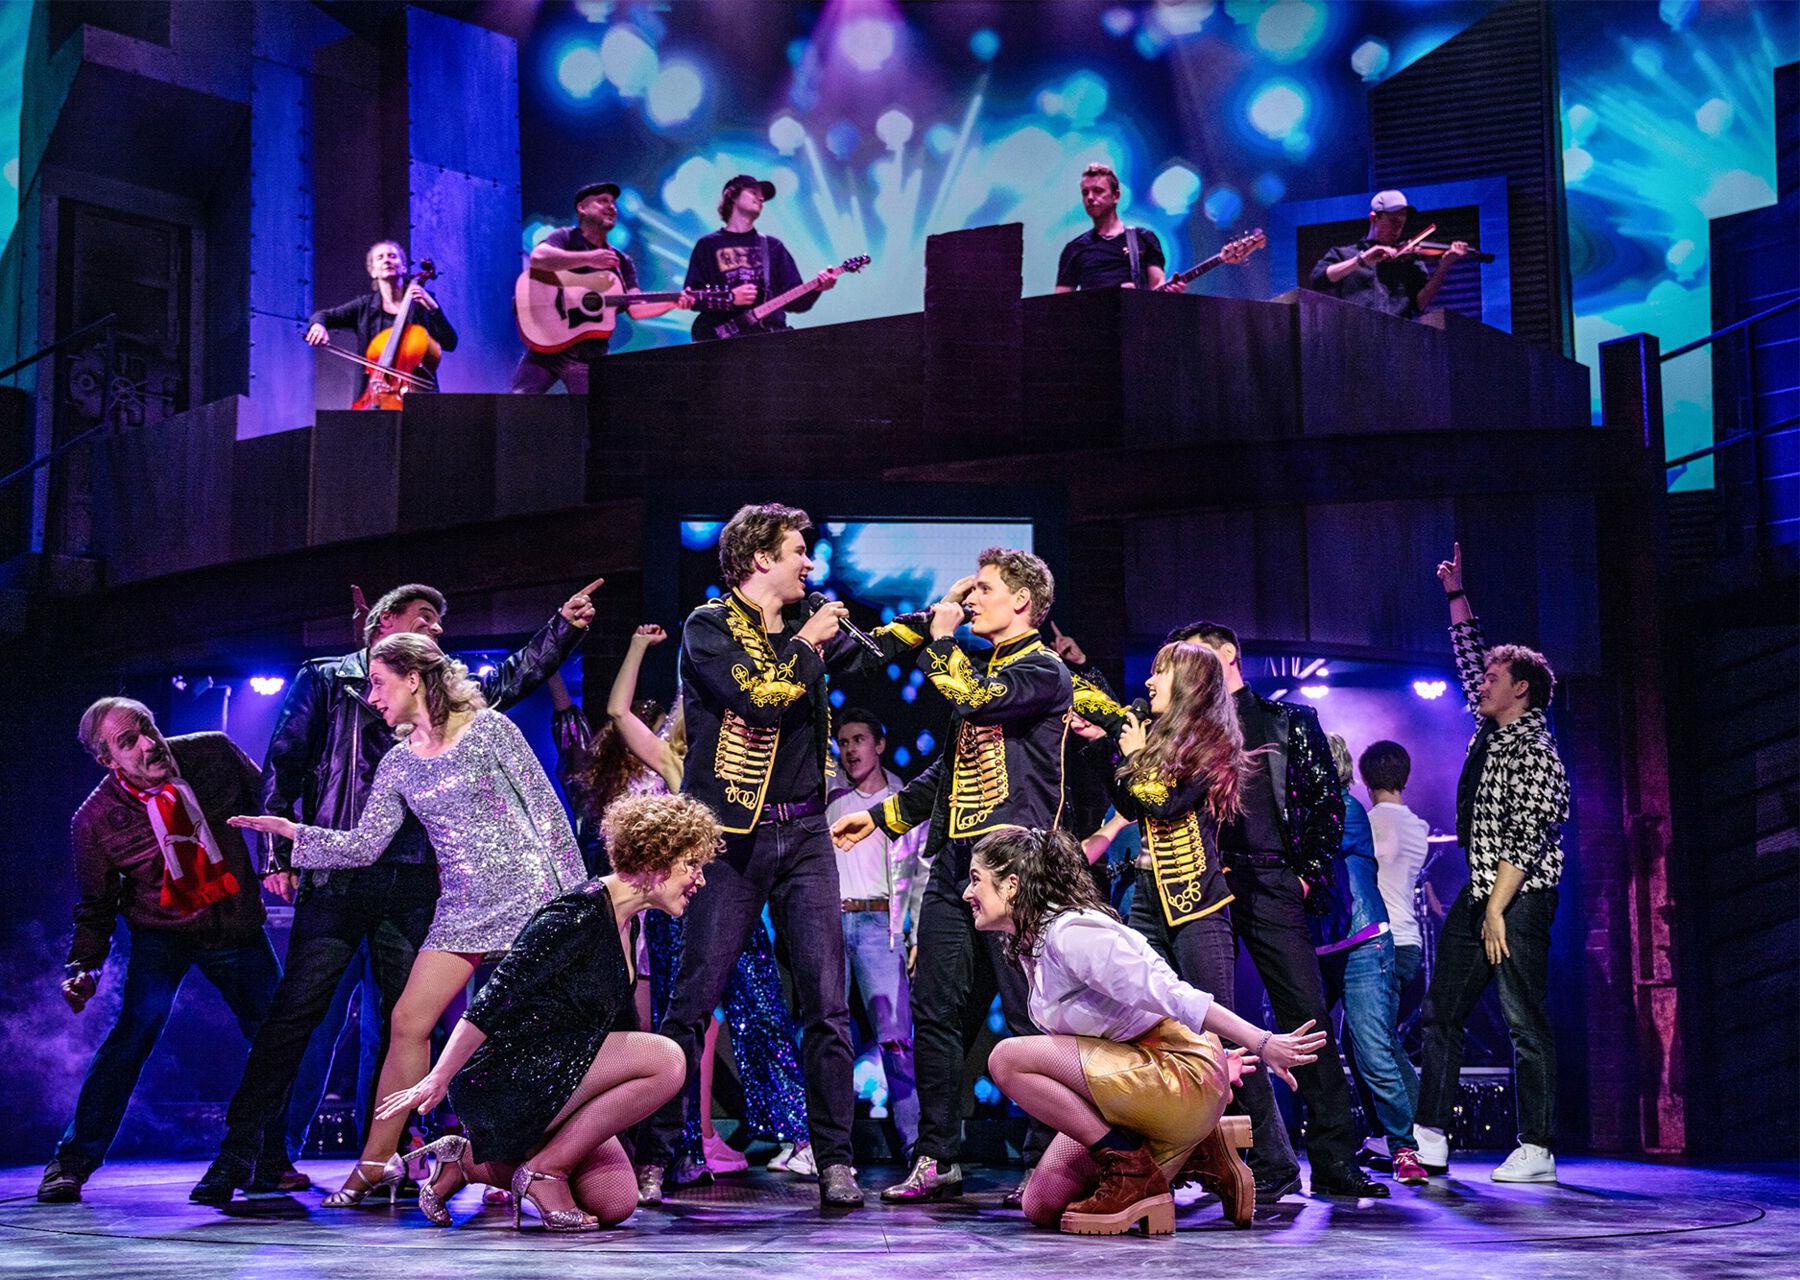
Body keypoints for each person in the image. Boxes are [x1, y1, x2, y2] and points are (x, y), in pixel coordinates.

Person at [191, 579, 596, 1207]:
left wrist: (575, 905)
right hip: (399, 894)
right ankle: (308, 1159)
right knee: (350, 1019)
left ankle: (490, 1159)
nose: (438, 628)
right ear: (384, 625)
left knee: (473, 1028)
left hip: (473, 889)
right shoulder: (357, 715)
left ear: (412, 678)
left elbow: (545, 808)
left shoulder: (484, 726)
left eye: (382, 685)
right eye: (424, 616)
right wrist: (286, 842)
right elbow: (330, 810)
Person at [639, 504, 922, 1209]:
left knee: (827, 1005)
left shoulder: (808, 625)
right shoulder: (708, 627)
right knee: (692, 1000)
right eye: (798, 551)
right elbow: (759, 698)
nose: (809, 563)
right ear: (760, 558)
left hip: (805, 836)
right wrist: (809, 643)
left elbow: (872, 650)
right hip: (730, 839)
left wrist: (930, 621)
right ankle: (658, 1153)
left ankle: (835, 1161)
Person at [831, 547, 1072, 1205]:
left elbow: (973, 697)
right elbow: (950, 770)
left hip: (1016, 868)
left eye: (984, 590)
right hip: (957, 866)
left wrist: (941, 638)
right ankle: (938, 1155)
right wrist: (878, 818)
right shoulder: (984, 671)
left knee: (1028, 1012)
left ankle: (1047, 1160)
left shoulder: (1042, 670)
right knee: (933, 1007)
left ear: (1022, 602)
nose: (972, 601)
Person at [377, 793, 717, 1231]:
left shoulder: (628, 924)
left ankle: (464, 1162)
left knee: (615, 1202)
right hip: (510, 1078)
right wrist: (439, 1077)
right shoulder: (576, 914)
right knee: (668, 1058)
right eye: (692, 865)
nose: (700, 880)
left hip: (565, 1075)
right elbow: (495, 997)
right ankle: (543, 1171)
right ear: (656, 859)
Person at [967, 827, 1327, 1235]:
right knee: (1042, 1203)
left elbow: (1174, 995)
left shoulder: (1073, 934)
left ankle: (1131, 1168)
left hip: (1175, 1069)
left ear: (1012, 885)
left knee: (1007, 1059)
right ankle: (1200, 1151)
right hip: (1136, 1080)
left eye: (976, 879)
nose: (967, 893)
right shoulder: (1034, 944)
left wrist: (1261, 1043)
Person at [552, 626, 812, 1190]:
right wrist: (637, 646)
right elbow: (618, 712)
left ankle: (799, 1138)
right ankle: (677, 1148)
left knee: (763, 1013)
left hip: (737, 897)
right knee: (684, 1025)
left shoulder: (752, 766)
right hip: (682, 912)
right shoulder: (678, 765)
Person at [38, 700, 292, 1204]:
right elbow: (96, 906)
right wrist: (84, 967)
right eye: (127, 742)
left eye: (147, 729)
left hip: (233, 924)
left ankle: (267, 1159)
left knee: (278, 1036)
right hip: (162, 934)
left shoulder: (213, 754)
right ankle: (71, 1162)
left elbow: (274, 805)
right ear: (107, 760)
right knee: (132, 1034)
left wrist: (276, 863)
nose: (148, 744)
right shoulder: (95, 819)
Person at [1164, 620, 1385, 1200]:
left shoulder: (1287, 720)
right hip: (1205, 882)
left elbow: (1325, 803)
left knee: (1304, 1015)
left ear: (1228, 655)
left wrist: (1305, 878)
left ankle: (1335, 1159)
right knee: (1219, 1020)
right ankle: (1259, 1158)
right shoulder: (1186, 727)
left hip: (1272, 880)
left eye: (1197, 655)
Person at [1414, 544, 1569, 1183]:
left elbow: (1529, 837)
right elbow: (1469, 655)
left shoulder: (1536, 749)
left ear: (1521, 690)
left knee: (1522, 1019)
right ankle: (1430, 1136)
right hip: (1484, 892)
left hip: (1519, 898)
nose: (1481, 684)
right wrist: (1456, 595)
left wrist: (1499, 911)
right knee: (1441, 1010)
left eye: (1494, 679)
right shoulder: (1490, 732)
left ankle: (1538, 1147)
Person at [1312, 735, 1425, 1187]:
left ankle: (1406, 1145)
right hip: (1324, 944)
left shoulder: (1348, 810)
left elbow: (1314, 863)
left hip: (1365, 939)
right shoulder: (1402, 821)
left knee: (1376, 1048)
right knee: (1325, 1041)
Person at [825, 708, 927, 1156]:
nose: (851, 750)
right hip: (831, 920)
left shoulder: (903, 801)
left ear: (880, 745)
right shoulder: (830, 796)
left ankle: (915, 1146)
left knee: (896, 1038)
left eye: (859, 740)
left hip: (878, 926)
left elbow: (920, 873)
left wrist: (915, 933)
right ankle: (825, 1150)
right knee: (828, 1036)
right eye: (844, 742)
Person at [511, 181, 693, 394]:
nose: (612, 207)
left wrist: (673, 303)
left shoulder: (622, 261)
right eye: (602, 201)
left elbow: (635, 308)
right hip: (546, 347)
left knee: (590, 413)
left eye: (613, 203)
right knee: (517, 404)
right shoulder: (565, 237)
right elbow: (539, 258)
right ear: (582, 207)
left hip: (588, 357)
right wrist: (589, 258)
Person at [684, 174, 839, 342]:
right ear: (731, 195)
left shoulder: (773, 246)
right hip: (724, 342)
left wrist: (817, 288)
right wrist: (730, 298)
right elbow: (692, 297)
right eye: (753, 192)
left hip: (771, 340)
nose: (761, 198)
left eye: (762, 196)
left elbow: (795, 303)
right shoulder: (708, 245)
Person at [305, 240, 457, 400]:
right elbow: (323, 316)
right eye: (380, 257)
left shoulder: (423, 304)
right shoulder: (364, 306)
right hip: (373, 398)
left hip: (419, 399)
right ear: (373, 272)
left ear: (404, 267)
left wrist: (434, 309)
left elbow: (450, 343)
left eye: (392, 256)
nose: (387, 260)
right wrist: (317, 325)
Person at [1360, 740, 1431, 1044]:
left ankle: (1407, 1081)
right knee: (1372, 1041)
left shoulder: (1366, 824)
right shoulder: (1419, 827)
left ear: (1365, 779)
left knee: (1374, 1044)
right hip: (1409, 944)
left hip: (1380, 944)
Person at [1308, 189, 1471, 320]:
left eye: (1401, 223)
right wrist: (1361, 260)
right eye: (1393, 222)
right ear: (1374, 218)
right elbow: (1318, 279)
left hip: (1399, 338)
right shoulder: (1345, 254)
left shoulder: (1409, 261)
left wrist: (1443, 267)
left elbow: (1419, 304)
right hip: (1357, 336)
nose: (1397, 229)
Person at [1054, 163, 1174, 293]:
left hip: (1135, 307)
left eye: (1098, 191)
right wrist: (1115, 293)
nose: (1090, 197)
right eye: (1085, 192)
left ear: (1115, 196)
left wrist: (1170, 292)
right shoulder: (1074, 248)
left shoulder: (1144, 238)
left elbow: (1158, 285)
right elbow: (1061, 301)